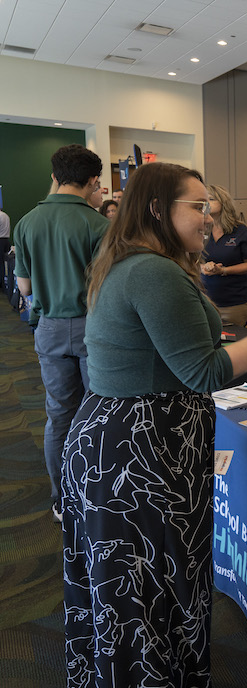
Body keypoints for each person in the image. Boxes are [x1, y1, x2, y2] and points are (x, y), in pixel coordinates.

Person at [60, 162, 247, 688]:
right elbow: (205, 370)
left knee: (141, 592)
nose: (209, 218)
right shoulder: (152, 272)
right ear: (159, 209)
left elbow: (185, 350)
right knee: (145, 594)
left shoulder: (140, 262)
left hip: (133, 445)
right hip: (136, 460)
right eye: (197, 206)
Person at [13, 144, 109, 522]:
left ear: (54, 176)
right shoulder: (100, 225)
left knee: (58, 416)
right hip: (92, 328)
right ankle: (95, 493)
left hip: (49, 328)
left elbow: (23, 288)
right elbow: (106, 289)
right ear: (93, 182)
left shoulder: (27, 222)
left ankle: (61, 499)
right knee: (97, 413)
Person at [200, 184, 247, 327]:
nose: (207, 203)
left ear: (223, 203)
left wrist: (224, 271)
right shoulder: (201, 229)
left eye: (212, 199)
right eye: (204, 200)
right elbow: (190, 260)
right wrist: (202, 268)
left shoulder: (239, 230)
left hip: (233, 304)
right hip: (205, 302)